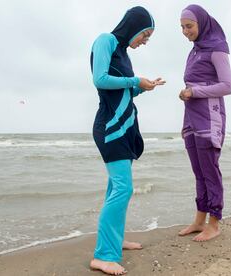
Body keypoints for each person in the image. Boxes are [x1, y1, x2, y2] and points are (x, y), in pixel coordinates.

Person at [89, 6, 165, 275]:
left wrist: (142, 86)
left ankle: (115, 242)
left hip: (124, 126)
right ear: (133, 26)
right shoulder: (105, 41)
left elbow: (123, 91)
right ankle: (103, 255)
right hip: (110, 127)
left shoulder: (122, 53)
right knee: (123, 189)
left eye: (148, 37)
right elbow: (100, 79)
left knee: (116, 189)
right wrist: (134, 79)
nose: (145, 40)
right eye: (145, 34)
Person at [178, 4, 231, 242]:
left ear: (202, 23)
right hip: (191, 117)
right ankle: (199, 220)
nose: (185, 31)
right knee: (198, 172)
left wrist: (194, 92)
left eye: (189, 26)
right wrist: (186, 94)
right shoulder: (194, 50)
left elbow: (227, 86)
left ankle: (215, 222)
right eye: (182, 27)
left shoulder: (217, 49)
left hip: (210, 118)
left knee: (210, 171)